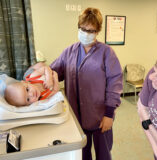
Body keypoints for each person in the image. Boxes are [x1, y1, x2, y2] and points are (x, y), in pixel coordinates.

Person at [49, 7, 123, 160]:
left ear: (98, 31)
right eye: (83, 29)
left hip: (100, 115)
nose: (86, 33)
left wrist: (109, 114)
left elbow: (115, 84)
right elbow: (54, 72)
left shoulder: (107, 53)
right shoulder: (69, 52)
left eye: (91, 30)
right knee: (81, 153)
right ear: (78, 27)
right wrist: (40, 72)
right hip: (76, 116)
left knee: (103, 153)